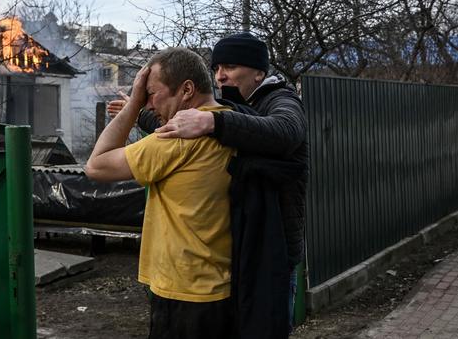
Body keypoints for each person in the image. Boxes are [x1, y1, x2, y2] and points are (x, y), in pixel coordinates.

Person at [108, 32, 307, 338]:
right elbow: (176, 129)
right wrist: (139, 114)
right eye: (216, 69)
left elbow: (285, 132)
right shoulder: (233, 107)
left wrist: (213, 123)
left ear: (259, 72)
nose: (220, 75)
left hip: (272, 252)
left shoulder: (281, 100)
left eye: (229, 66)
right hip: (242, 250)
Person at [86, 47, 236, 339]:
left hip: (184, 292)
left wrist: (132, 107)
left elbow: (97, 165)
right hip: (218, 287)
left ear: (187, 89)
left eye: (151, 93)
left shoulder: (175, 139)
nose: (148, 103)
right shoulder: (227, 122)